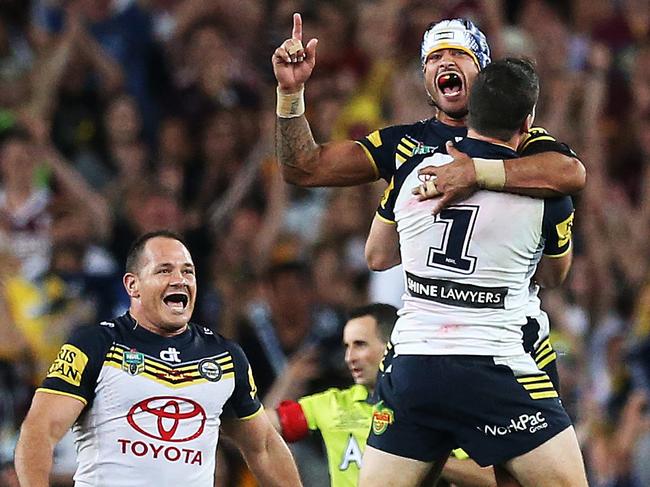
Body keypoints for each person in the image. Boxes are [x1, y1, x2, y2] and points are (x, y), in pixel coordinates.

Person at [360, 57, 587, 487]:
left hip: (413, 369)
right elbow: (554, 276)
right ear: (528, 120)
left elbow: (377, 253)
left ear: (472, 112)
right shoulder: (548, 196)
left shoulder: (412, 174)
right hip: (493, 370)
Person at [14, 230, 302, 487]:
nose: (180, 280)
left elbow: (263, 446)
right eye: (164, 270)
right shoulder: (95, 345)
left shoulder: (225, 357)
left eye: (188, 272)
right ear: (133, 285)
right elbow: (40, 430)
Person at [271, 14, 585, 209]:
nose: (445, 62)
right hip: (426, 310)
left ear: (483, 70)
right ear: (425, 79)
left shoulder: (515, 135)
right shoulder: (401, 144)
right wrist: (290, 93)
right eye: (434, 59)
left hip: (500, 312)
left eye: (458, 55)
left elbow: (571, 173)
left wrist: (474, 173)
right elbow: (304, 169)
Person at [266, 303, 497, 487]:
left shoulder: (435, 407)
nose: (349, 357)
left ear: (391, 346)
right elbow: (258, 426)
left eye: (360, 345)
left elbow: (490, 478)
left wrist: (420, 458)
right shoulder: (332, 404)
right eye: (347, 346)